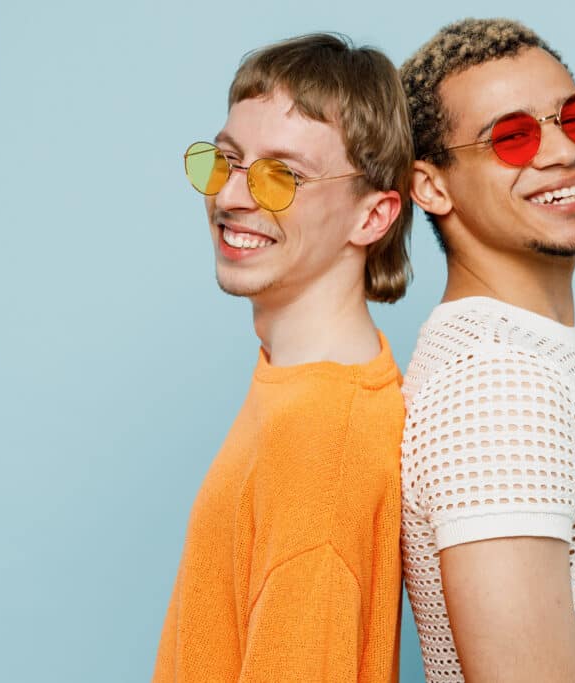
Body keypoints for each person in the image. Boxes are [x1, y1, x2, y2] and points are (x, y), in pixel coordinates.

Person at [398, 18, 575, 682]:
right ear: (431, 185)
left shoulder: (524, 356)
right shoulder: (496, 385)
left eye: (574, 117)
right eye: (512, 135)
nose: (563, 152)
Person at [153, 33, 412, 682]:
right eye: (228, 160)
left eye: (283, 176)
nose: (233, 197)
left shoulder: (318, 442)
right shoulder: (298, 386)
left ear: (373, 216)